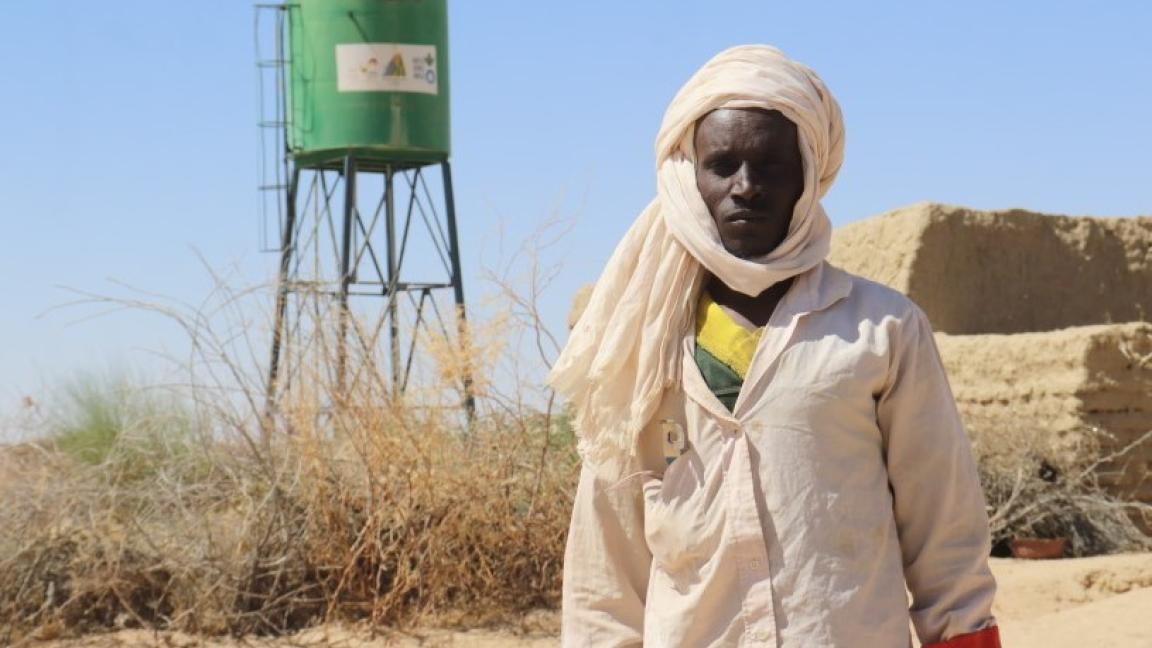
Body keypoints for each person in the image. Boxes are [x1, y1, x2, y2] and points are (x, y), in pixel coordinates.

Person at [549, 45, 1001, 647]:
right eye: (723, 165)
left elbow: (945, 530)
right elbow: (606, 573)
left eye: (771, 167)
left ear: (808, 178)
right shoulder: (640, 338)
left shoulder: (882, 330)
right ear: (689, 175)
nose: (746, 187)